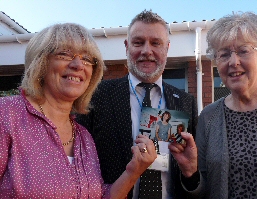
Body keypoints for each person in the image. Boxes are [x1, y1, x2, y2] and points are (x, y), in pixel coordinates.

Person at [0, 23, 157, 198]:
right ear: (41, 61)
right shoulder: (7, 114)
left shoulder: (84, 137)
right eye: (65, 54)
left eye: (87, 59)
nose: (78, 65)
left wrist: (133, 172)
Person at [169, 12, 257, 199]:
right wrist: (191, 173)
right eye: (224, 54)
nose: (233, 61)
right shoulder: (209, 117)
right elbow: (203, 190)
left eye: (243, 51)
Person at [76, 10, 198, 199]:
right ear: (127, 46)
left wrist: (190, 172)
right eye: (138, 42)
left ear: (167, 47)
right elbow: (80, 166)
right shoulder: (97, 95)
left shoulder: (184, 101)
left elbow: (189, 176)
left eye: (156, 43)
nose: (146, 51)